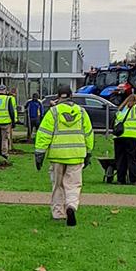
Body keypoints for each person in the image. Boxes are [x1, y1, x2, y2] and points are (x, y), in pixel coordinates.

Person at [34, 86, 94, 226]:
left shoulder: (53, 112)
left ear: (58, 96)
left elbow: (44, 134)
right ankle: (71, 206)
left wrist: (39, 153)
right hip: (77, 155)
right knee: (73, 184)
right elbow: (89, 133)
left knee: (57, 185)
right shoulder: (82, 112)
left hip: (57, 156)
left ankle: (58, 213)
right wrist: (88, 151)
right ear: (71, 96)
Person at [112, 92, 136, 184]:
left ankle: (120, 180)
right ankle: (133, 180)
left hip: (118, 137)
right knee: (133, 159)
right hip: (132, 137)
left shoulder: (121, 110)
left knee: (120, 160)